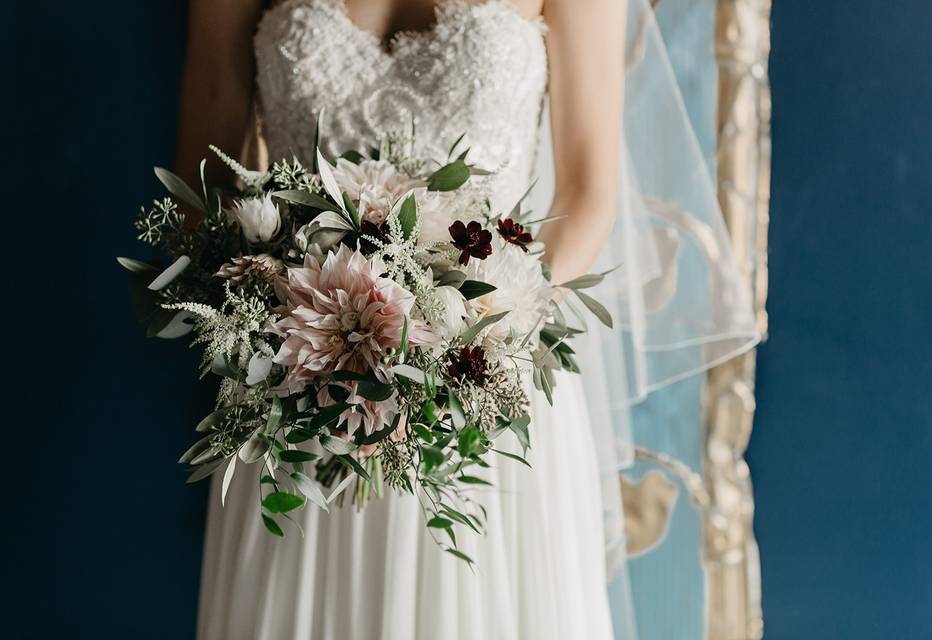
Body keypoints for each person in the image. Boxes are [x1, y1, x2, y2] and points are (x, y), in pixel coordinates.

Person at [178, 1, 627, 638]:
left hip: (485, 388)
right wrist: (288, 322)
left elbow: (588, 193)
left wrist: (474, 338)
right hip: (297, 391)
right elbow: (205, 188)